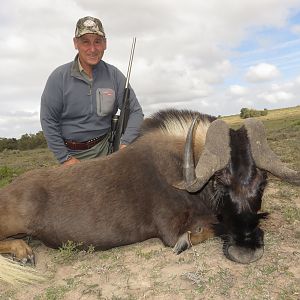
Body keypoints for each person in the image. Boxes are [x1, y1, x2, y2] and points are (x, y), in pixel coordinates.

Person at [40, 16, 144, 166]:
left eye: (97, 41)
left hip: (106, 151)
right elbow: (48, 120)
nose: (93, 49)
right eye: (85, 42)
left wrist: (125, 145)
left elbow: (135, 111)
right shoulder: (59, 77)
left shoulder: (114, 75)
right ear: (76, 43)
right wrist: (65, 159)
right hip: (71, 156)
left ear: (105, 44)